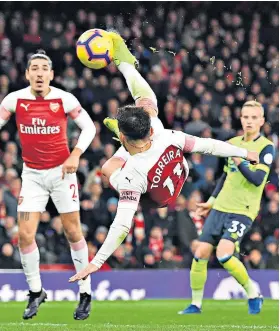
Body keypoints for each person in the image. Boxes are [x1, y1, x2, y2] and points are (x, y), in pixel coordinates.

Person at [69, 32, 258, 283]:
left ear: (124, 141)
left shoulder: (131, 175)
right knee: (148, 104)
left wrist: (96, 262)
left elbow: (122, 226)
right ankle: (124, 59)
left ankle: (123, 127)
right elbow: (209, 146)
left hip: (158, 195)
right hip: (178, 170)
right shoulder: (164, 132)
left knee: (107, 168)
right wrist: (245, 152)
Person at [0, 50, 96, 320]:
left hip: (62, 175)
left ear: (51, 75)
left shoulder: (64, 99)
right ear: (27, 73)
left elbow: (89, 128)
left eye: (44, 68)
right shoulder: (14, 99)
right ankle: (35, 291)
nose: (40, 73)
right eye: (35, 68)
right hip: (32, 176)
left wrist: (75, 154)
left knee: (73, 232)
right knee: (25, 236)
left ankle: (85, 292)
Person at [179, 101, 274, 315]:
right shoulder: (232, 142)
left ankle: (253, 292)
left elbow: (258, 179)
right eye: (245, 117)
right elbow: (225, 176)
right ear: (240, 119)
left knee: (223, 253)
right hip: (220, 207)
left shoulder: (266, 147)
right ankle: (195, 304)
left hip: (243, 210)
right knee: (201, 252)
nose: (249, 121)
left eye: (253, 117)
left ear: (261, 121)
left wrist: (240, 159)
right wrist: (211, 202)